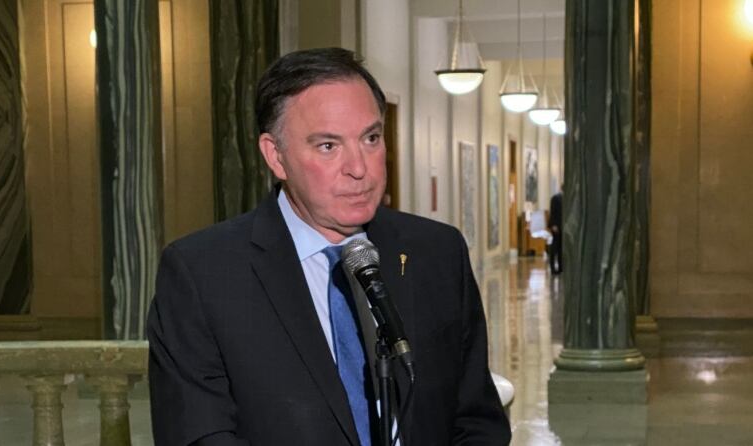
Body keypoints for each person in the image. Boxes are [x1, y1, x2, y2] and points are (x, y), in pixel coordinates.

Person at [147, 47, 511, 446]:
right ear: (276, 156)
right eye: (328, 146)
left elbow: (477, 419)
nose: (360, 168)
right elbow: (198, 435)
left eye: (371, 138)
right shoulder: (204, 274)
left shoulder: (437, 252)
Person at [548, 188, 563, 274]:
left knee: (561, 248)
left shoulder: (565, 198)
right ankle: (553, 268)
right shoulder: (556, 198)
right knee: (555, 248)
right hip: (556, 226)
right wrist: (553, 225)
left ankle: (561, 267)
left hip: (562, 227)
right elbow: (553, 212)